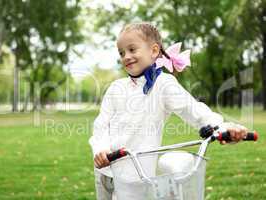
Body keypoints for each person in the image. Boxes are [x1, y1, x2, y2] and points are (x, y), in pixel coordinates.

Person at [89, 22, 248, 200]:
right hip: (105, 167)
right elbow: (101, 124)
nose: (126, 56)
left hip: (136, 172)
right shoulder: (116, 87)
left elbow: (193, 110)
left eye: (132, 49)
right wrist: (101, 148)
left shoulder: (163, 84)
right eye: (121, 53)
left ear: (154, 51)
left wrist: (223, 128)